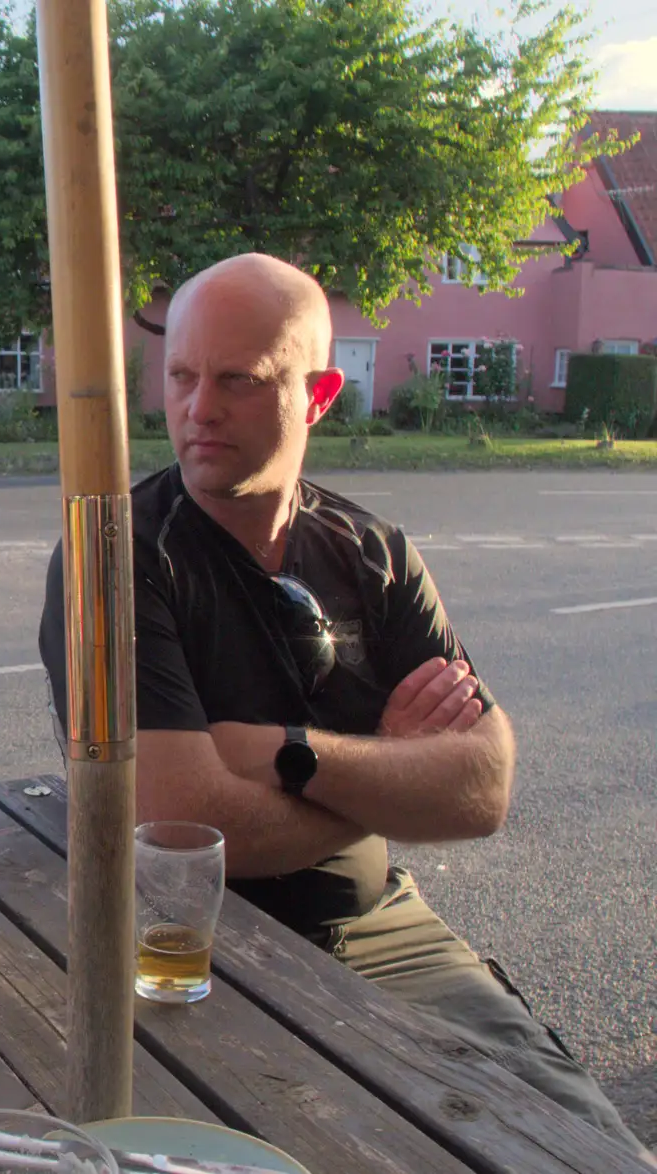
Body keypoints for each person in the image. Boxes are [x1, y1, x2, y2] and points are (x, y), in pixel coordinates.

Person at [38, 253, 652, 1161]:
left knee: (575, 1142)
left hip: (380, 926)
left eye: (238, 382)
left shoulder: (375, 552)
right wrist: (389, 768)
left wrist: (291, 754)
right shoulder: (118, 559)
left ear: (320, 394)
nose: (197, 410)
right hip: (194, 945)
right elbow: (180, 828)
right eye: (180, 375)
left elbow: (483, 790)